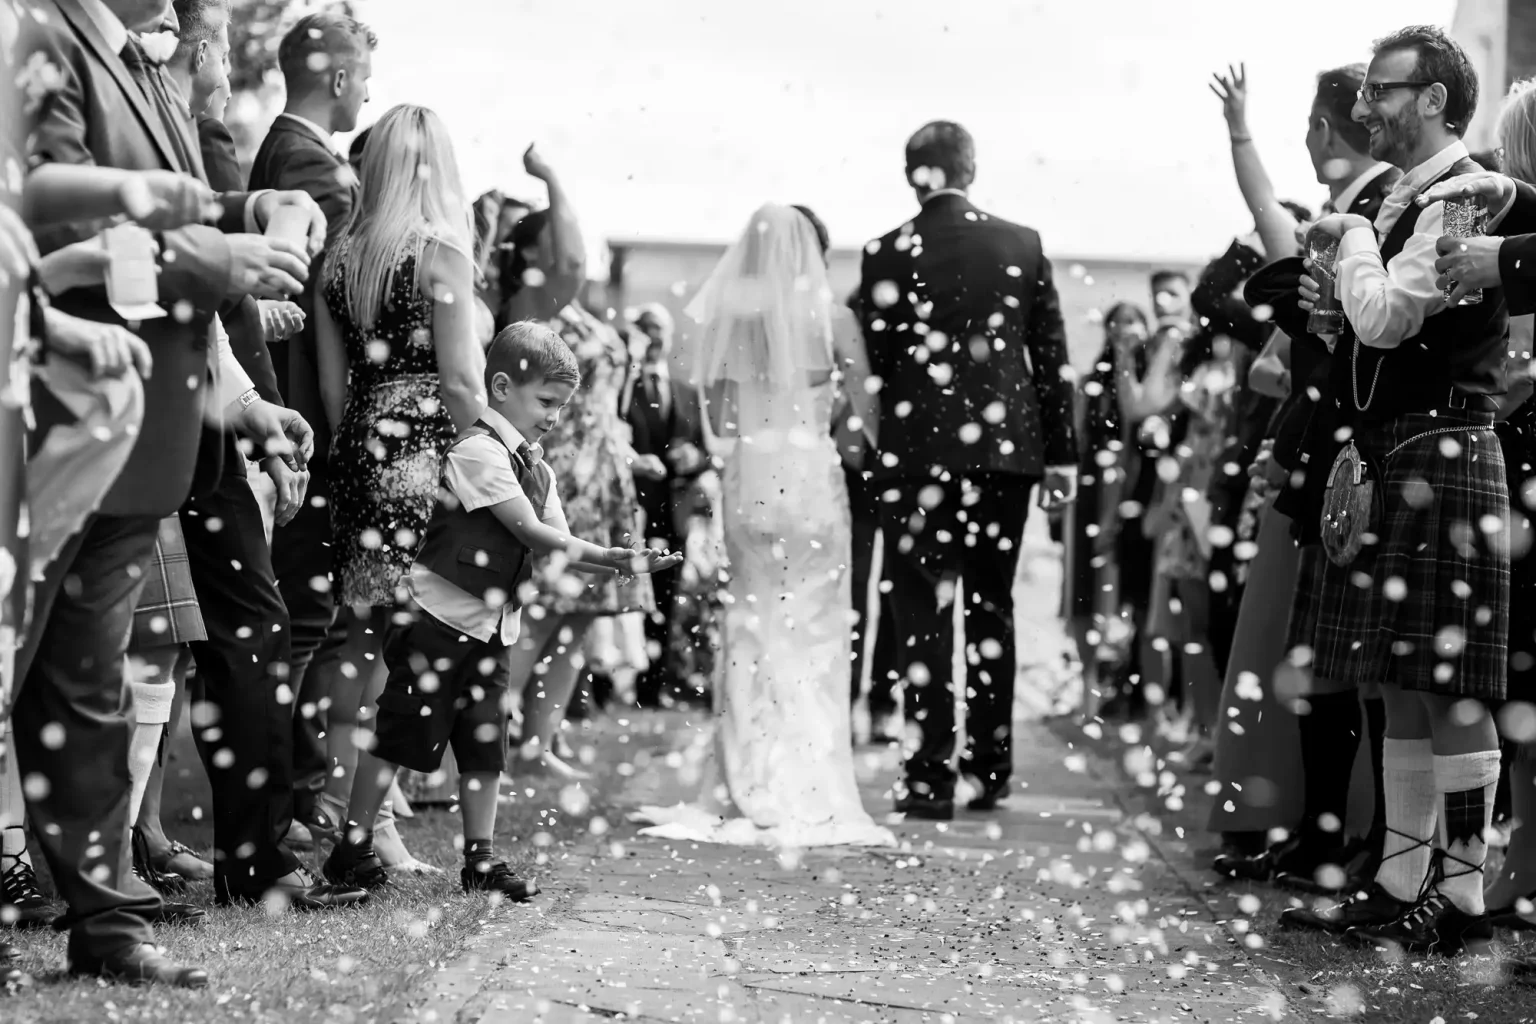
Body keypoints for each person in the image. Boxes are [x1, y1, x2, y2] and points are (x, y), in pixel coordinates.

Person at [18, 0, 339, 984]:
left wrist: (261, 224)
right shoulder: (35, 34)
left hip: (142, 428)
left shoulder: (143, 65)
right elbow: (45, 209)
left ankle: (105, 919)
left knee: (88, 683)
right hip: (48, 412)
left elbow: (165, 226)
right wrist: (212, 251)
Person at [1281, 25, 1509, 953]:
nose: (1366, 104)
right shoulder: (1407, 198)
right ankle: (1401, 876)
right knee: (1400, 684)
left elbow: (1385, 319)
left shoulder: (1464, 196)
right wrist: (1326, 309)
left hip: (1446, 449)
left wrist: (1350, 246)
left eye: (1383, 89)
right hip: (1395, 447)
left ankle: (1459, 892)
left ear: (1435, 101)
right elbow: (1360, 333)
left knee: (1450, 688)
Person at [322, 322, 681, 891]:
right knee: (396, 737)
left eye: (561, 406)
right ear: (500, 386)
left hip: (493, 631)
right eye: (545, 401)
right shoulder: (477, 453)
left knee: (485, 748)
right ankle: (353, 849)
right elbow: (534, 534)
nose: (554, 417)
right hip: (438, 624)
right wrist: (608, 557)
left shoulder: (537, 468)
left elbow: (561, 539)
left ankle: (481, 860)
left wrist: (619, 562)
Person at [633, 204, 893, 847]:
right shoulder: (835, 319)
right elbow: (869, 412)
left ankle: (749, 777)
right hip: (809, 479)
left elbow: (720, 422)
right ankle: (810, 780)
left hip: (752, 478)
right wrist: (833, 430)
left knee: (751, 626)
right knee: (817, 631)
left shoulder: (734, 321)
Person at [1211, 63, 1401, 888]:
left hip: (1342, 458)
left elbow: (1267, 218)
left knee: (1335, 658)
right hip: (1323, 453)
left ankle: (1340, 833)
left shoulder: (1378, 214)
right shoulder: (1344, 217)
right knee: (1321, 656)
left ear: (1327, 132)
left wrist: (1240, 133)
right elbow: (1270, 219)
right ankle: (1328, 829)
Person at [858, 122, 1078, 820]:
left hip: (917, 450)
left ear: (910, 174)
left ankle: (928, 776)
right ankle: (989, 769)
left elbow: (882, 357)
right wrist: (1063, 454)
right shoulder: (1020, 242)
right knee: (991, 604)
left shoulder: (884, 252)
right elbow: (1050, 355)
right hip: (1002, 455)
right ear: (971, 169)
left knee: (920, 609)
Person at [312, 103, 485, 872]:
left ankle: (353, 813)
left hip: (360, 450)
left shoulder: (340, 258)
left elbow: (330, 392)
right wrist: (497, 460)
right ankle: (370, 826)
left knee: (360, 643)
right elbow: (460, 379)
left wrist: (361, 452)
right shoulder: (443, 255)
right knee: (421, 641)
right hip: (431, 454)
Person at [247, 10, 374, 838]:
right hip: (303, 422)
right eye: (363, 74)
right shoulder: (309, 170)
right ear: (336, 79)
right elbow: (344, 308)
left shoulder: (282, 153)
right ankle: (287, 803)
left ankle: (291, 795)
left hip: (286, 413)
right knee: (301, 622)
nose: (367, 89)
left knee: (302, 619)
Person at [507, 305, 655, 779]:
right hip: (562, 470)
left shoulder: (584, 316)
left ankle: (538, 745)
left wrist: (627, 455)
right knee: (544, 611)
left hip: (601, 473)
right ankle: (482, 742)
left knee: (580, 615)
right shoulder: (531, 315)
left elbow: (602, 409)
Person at [620, 302, 710, 705]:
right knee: (623, 593)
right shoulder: (623, 389)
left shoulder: (689, 393)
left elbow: (705, 450)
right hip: (631, 507)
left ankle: (652, 689)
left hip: (674, 512)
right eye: (646, 329)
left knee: (666, 596)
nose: (655, 338)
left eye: (661, 330)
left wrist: (695, 458)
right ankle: (607, 686)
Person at [1069, 302, 1149, 713]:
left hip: (1133, 488)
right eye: (1116, 323)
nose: (1124, 330)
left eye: (1132, 322)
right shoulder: (1091, 381)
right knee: (1083, 589)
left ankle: (1123, 682)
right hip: (1091, 488)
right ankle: (1088, 686)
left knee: (1123, 591)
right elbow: (1080, 438)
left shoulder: (1150, 379)